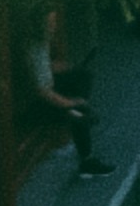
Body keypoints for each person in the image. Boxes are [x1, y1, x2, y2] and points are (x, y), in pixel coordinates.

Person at [18, 10, 107, 176]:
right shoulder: (33, 49)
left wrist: (68, 67)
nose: (54, 27)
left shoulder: (40, 42)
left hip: (48, 89)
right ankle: (87, 161)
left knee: (82, 77)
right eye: (51, 24)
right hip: (38, 103)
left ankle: (76, 114)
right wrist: (72, 102)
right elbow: (42, 91)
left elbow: (46, 68)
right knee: (79, 112)